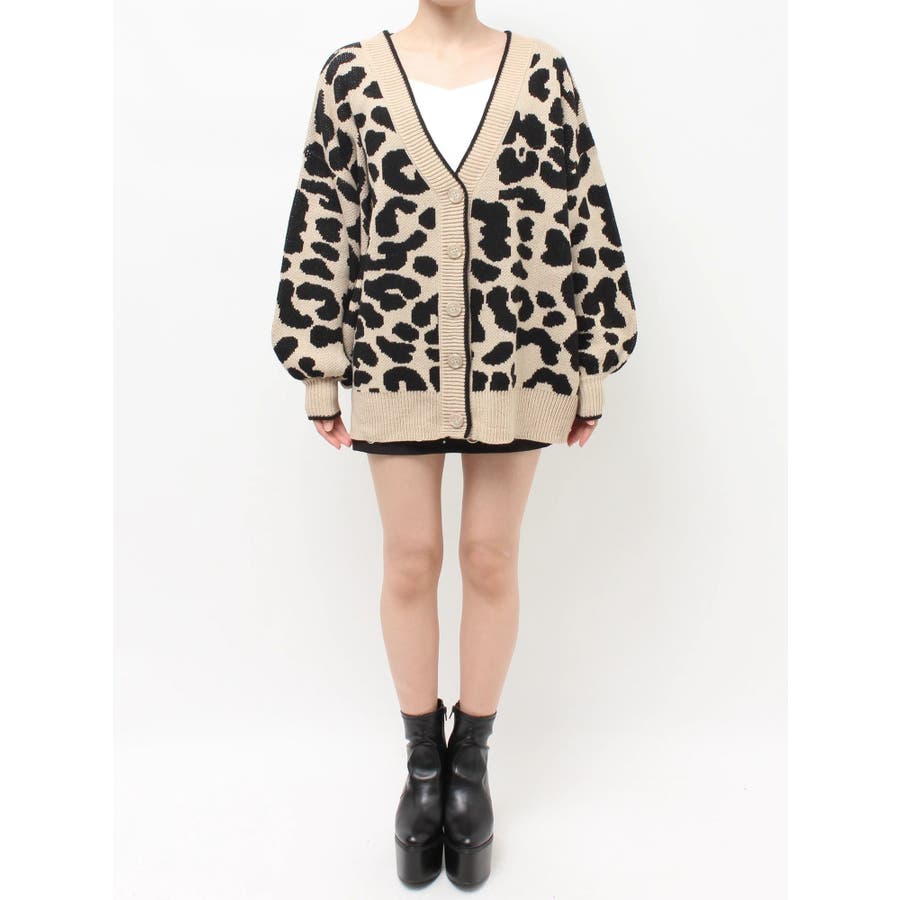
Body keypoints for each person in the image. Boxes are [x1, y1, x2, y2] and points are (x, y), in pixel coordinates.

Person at [270, 1, 637, 887]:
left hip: (523, 356)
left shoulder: (542, 72)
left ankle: (470, 765)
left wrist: (591, 367)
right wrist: (320, 368)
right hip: (394, 361)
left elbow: (582, 217)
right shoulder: (352, 75)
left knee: (489, 558)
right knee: (410, 561)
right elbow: (323, 219)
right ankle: (422, 769)